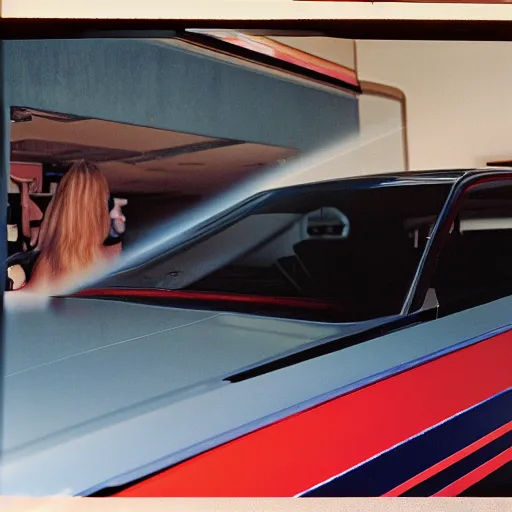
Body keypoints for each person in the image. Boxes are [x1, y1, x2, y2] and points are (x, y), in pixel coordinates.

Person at [20, 160, 126, 295]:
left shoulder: (50, 263)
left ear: (61, 206)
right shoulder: (117, 253)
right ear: (102, 205)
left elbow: (23, 303)